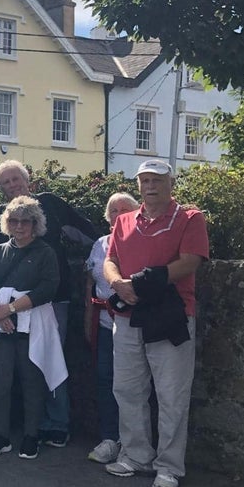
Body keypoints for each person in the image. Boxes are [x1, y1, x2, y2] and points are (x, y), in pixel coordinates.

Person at [103, 160, 209, 487]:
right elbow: (110, 260)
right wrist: (118, 283)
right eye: (144, 180)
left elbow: (191, 260)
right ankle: (136, 456)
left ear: (170, 183)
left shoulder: (191, 218)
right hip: (129, 314)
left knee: (171, 393)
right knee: (127, 388)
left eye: (157, 180)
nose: (150, 186)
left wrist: (150, 281)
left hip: (169, 314)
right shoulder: (123, 220)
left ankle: (169, 466)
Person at [0, 161, 95, 448]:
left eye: (16, 179)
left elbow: (88, 233)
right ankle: (27, 425)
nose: (12, 185)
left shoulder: (50, 204)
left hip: (50, 301)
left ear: (28, 180)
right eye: (6, 182)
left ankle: (56, 423)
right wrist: (0, 310)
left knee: (49, 360)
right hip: (7, 310)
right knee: (18, 368)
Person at [0, 196, 65, 461]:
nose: (20, 226)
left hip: (33, 324)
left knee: (32, 381)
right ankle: (1, 436)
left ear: (35, 224)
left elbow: (49, 287)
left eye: (26, 221)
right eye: (14, 220)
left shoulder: (45, 252)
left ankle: (30, 435)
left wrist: (11, 309)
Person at [84, 192, 141, 464]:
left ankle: (134, 444)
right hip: (104, 323)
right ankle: (109, 438)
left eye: (125, 209)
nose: (119, 214)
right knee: (105, 380)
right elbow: (90, 285)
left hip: (134, 323)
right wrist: (87, 320)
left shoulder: (142, 241)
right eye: (114, 210)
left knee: (135, 384)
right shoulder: (100, 244)